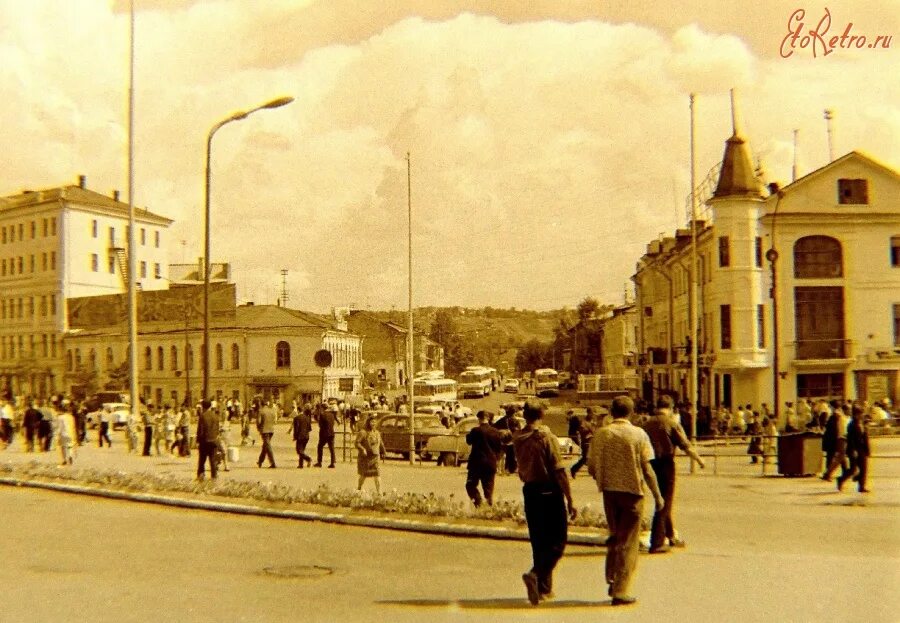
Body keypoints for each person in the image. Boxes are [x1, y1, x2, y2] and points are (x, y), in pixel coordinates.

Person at [588, 395, 664, 606]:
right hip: (632, 494)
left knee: (615, 537)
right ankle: (620, 591)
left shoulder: (601, 434)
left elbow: (592, 465)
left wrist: (604, 478)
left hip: (610, 493)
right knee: (628, 543)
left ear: (612, 412)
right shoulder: (638, 435)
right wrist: (658, 496)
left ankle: (612, 576)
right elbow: (647, 469)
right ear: (631, 413)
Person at [513, 400, 576, 606]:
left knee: (539, 541)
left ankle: (543, 589)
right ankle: (535, 573)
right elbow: (559, 471)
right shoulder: (545, 437)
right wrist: (570, 499)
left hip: (530, 490)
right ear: (541, 414)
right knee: (558, 540)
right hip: (549, 490)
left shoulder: (519, 438)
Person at [641, 395, 704, 554]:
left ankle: (670, 535)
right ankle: (656, 542)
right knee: (664, 502)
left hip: (650, 464)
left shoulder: (646, 424)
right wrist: (699, 460)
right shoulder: (671, 424)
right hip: (666, 464)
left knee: (662, 498)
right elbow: (685, 446)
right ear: (671, 408)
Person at [464, 410, 506, 507]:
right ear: (488, 419)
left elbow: (469, 441)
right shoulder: (496, 432)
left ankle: (478, 503)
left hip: (476, 463)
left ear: (478, 419)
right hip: (490, 463)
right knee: (488, 489)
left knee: (470, 485)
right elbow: (499, 448)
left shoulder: (475, 430)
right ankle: (489, 508)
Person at [837, 404, 871, 493]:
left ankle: (861, 486)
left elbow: (865, 437)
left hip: (862, 449)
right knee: (853, 469)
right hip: (855, 449)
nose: (861, 415)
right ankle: (841, 479)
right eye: (859, 414)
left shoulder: (862, 423)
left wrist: (868, 450)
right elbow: (850, 439)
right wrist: (853, 450)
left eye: (861, 413)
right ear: (855, 414)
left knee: (863, 469)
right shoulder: (851, 425)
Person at [355, 416, 386, 494]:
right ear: (368, 422)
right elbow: (357, 443)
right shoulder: (363, 432)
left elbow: (380, 443)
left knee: (377, 474)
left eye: (375, 422)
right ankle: (359, 489)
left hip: (375, 457)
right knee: (363, 475)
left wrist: (383, 451)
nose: (373, 423)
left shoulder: (377, 432)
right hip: (365, 458)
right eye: (372, 422)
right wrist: (363, 449)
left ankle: (379, 493)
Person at [822, 403, 849, 482]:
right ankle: (828, 474)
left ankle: (846, 471)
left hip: (841, 438)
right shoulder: (839, 417)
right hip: (841, 439)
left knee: (841, 457)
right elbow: (839, 430)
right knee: (838, 458)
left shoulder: (842, 417)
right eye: (848, 410)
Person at [196, 400, 220, 480]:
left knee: (202, 460)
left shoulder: (202, 416)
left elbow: (200, 430)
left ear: (203, 406)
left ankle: (201, 475)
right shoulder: (215, 416)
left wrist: (198, 441)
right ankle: (214, 476)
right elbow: (217, 429)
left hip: (204, 441)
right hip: (214, 440)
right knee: (213, 460)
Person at [569, 412, 594, 478]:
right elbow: (582, 431)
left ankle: (593, 471)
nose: (593, 416)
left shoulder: (590, 423)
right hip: (586, 443)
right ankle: (573, 469)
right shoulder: (584, 423)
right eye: (592, 414)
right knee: (584, 459)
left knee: (588, 458)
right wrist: (589, 434)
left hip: (589, 442)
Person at [315, 403, 337, 468]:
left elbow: (320, 425)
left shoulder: (322, 414)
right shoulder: (332, 415)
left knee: (320, 447)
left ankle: (319, 462)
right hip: (331, 433)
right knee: (332, 448)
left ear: (322, 408)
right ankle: (332, 463)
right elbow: (333, 423)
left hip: (324, 433)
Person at [256, 400, 277, 469]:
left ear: (261, 404)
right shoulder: (272, 410)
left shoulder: (261, 411)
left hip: (264, 430)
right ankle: (260, 461)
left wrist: (259, 428)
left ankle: (273, 463)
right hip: (271, 430)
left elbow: (258, 421)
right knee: (265, 446)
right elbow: (275, 420)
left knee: (268, 447)